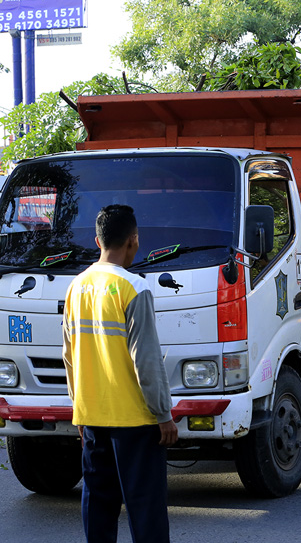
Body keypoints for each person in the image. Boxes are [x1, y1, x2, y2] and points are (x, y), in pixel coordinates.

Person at [62, 205, 177, 543]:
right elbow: (147, 360)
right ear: (134, 241)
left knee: (97, 506)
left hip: (92, 417)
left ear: (97, 240)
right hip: (136, 422)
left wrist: (78, 410)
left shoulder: (75, 287)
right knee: (146, 511)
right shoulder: (133, 288)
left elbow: (68, 355)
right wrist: (163, 414)